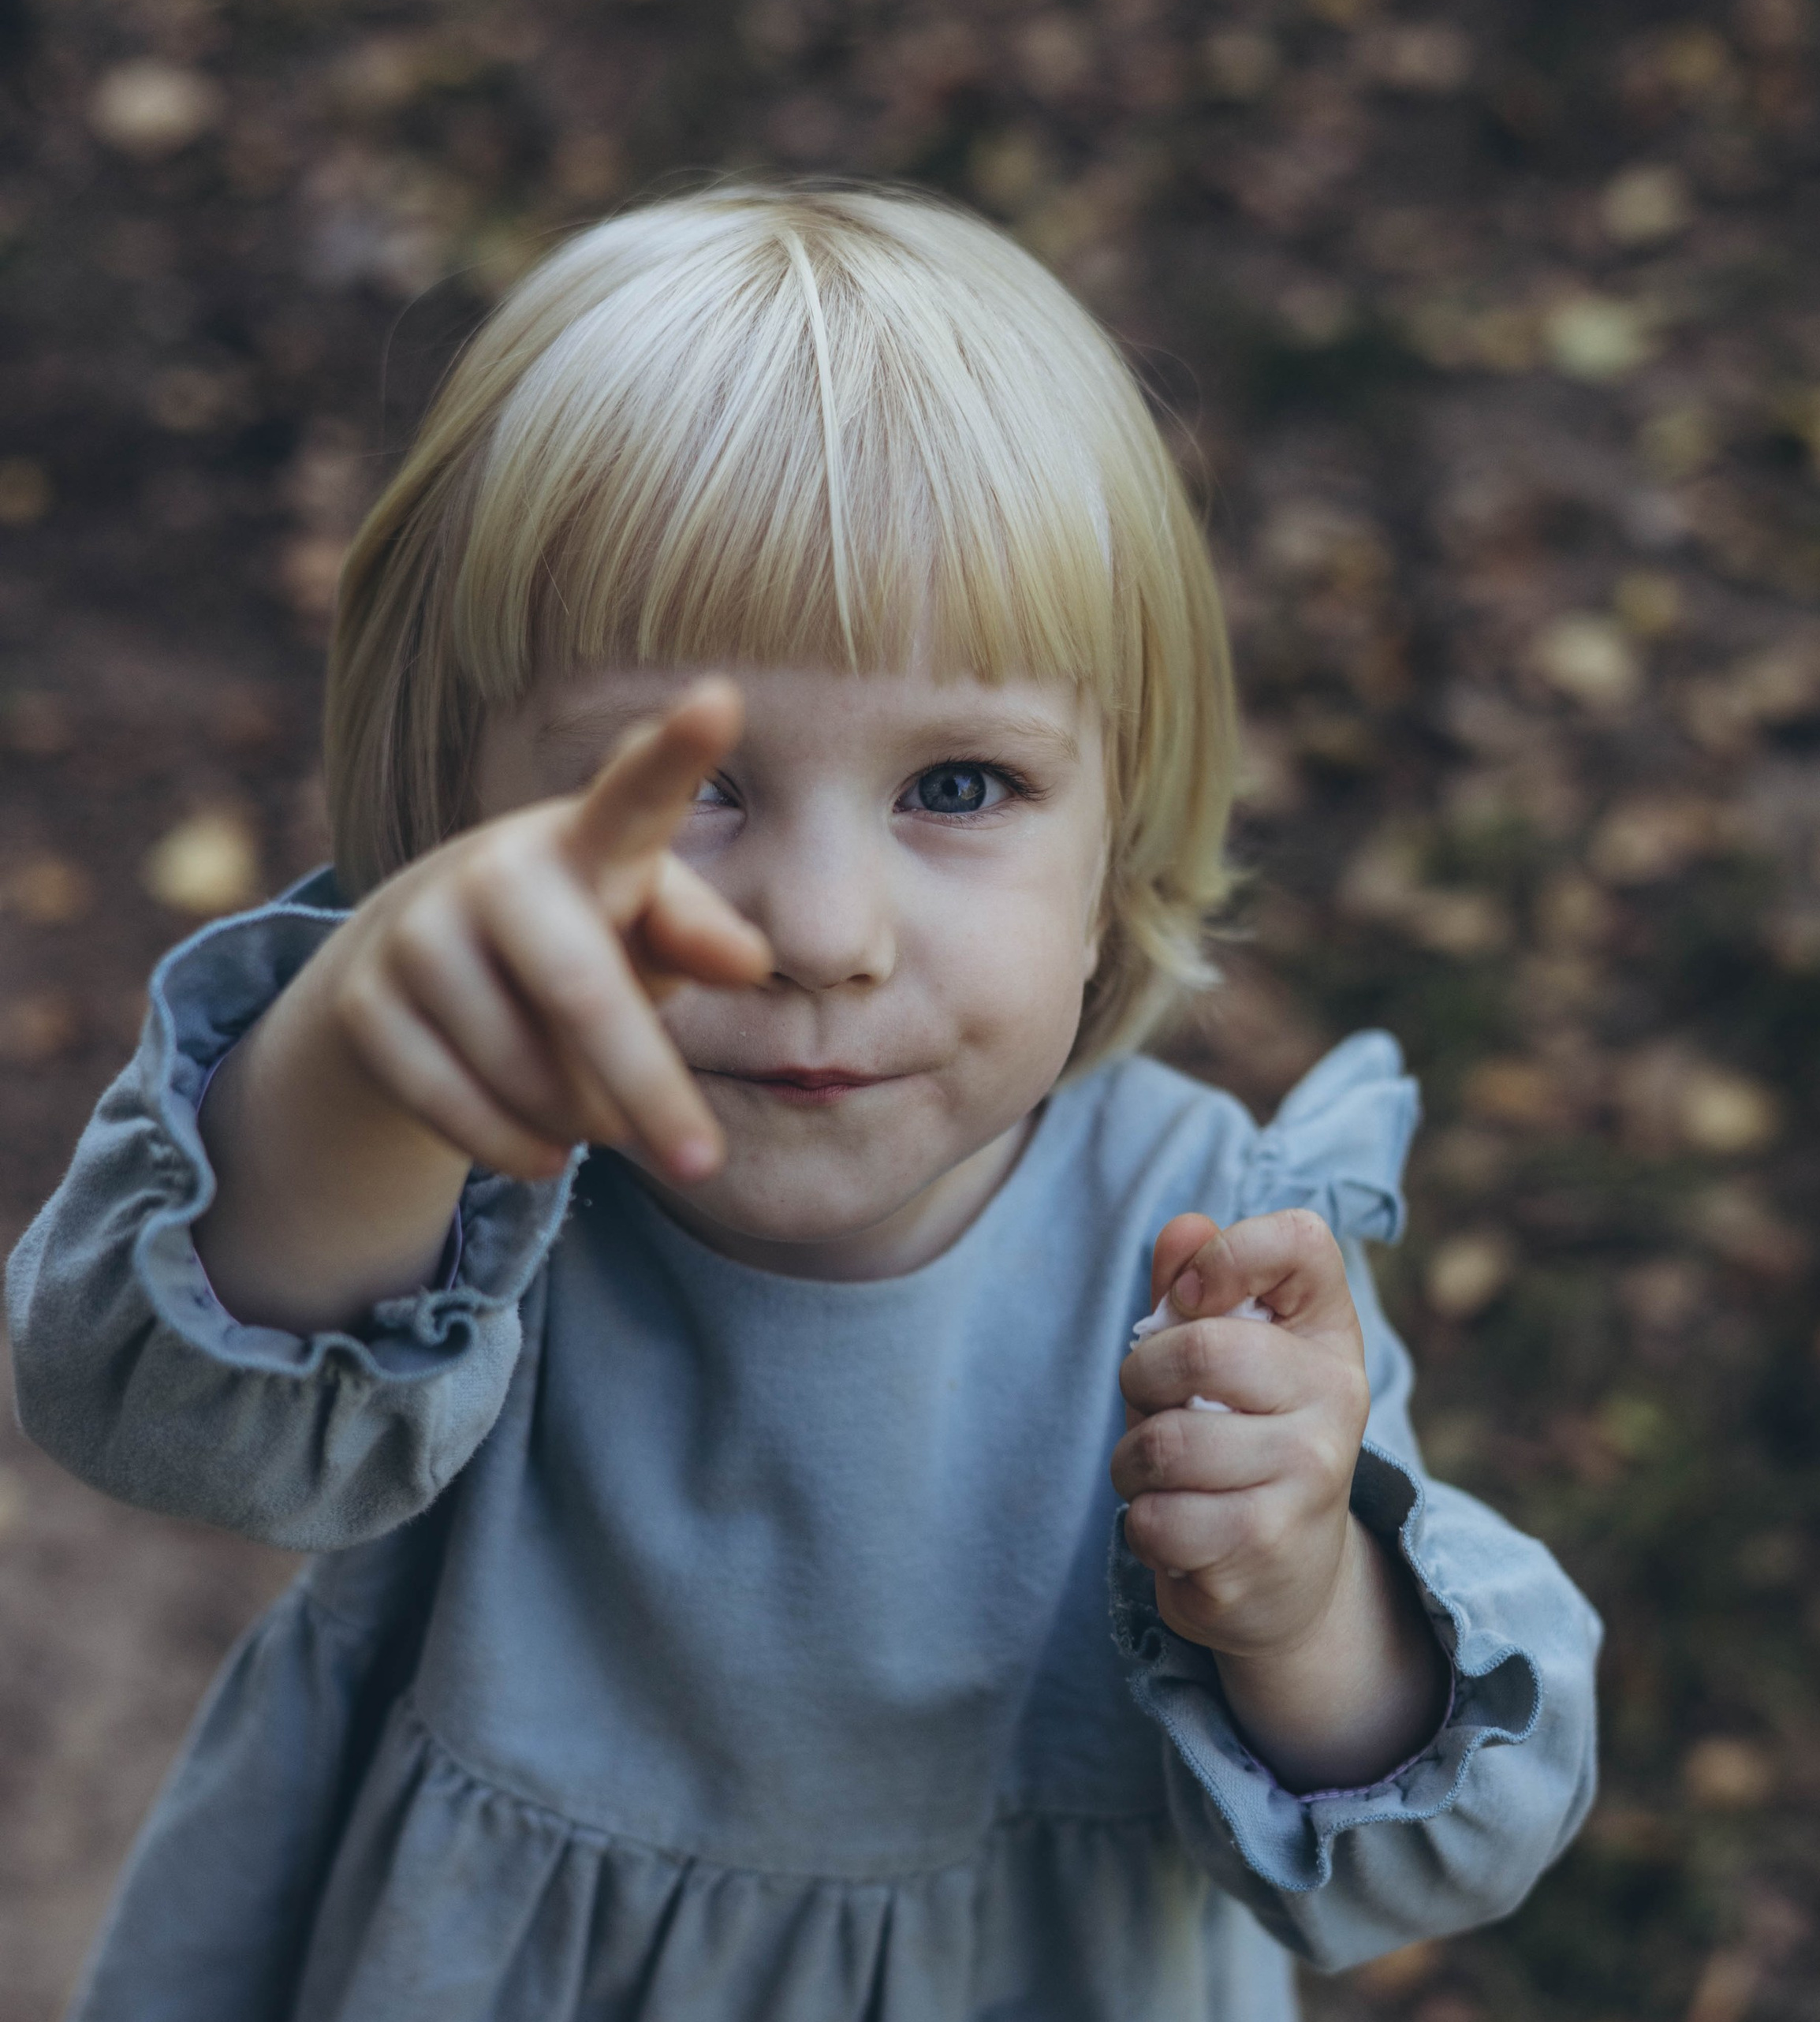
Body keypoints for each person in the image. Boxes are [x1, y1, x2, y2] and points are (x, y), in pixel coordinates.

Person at [7, 183, 1600, 2022]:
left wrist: (1300, 1600)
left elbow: (1437, 1850)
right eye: (673, 780)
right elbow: (165, 1421)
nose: (820, 933)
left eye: (957, 784)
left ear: (1119, 824)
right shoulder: (472, 1184)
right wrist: (372, 1061)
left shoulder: (1209, 1249)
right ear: (455, 809)